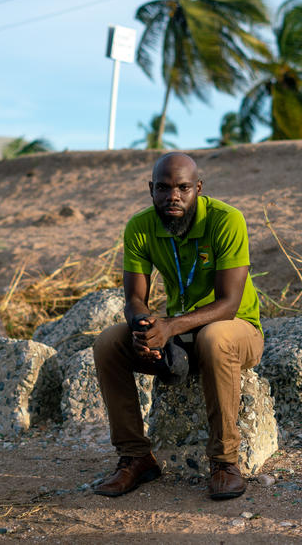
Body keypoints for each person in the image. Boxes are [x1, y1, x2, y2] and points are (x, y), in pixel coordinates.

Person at [92, 152, 263, 500]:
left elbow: (229, 303)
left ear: (197, 188)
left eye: (183, 188)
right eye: (164, 188)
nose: (173, 196)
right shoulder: (139, 227)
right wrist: (145, 330)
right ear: (150, 190)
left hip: (235, 328)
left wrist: (169, 327)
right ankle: (136, 457)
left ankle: (225, 463)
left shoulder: (226, 220)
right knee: (109, 342)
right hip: (180, 333)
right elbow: (134, 300)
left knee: (215, 338)